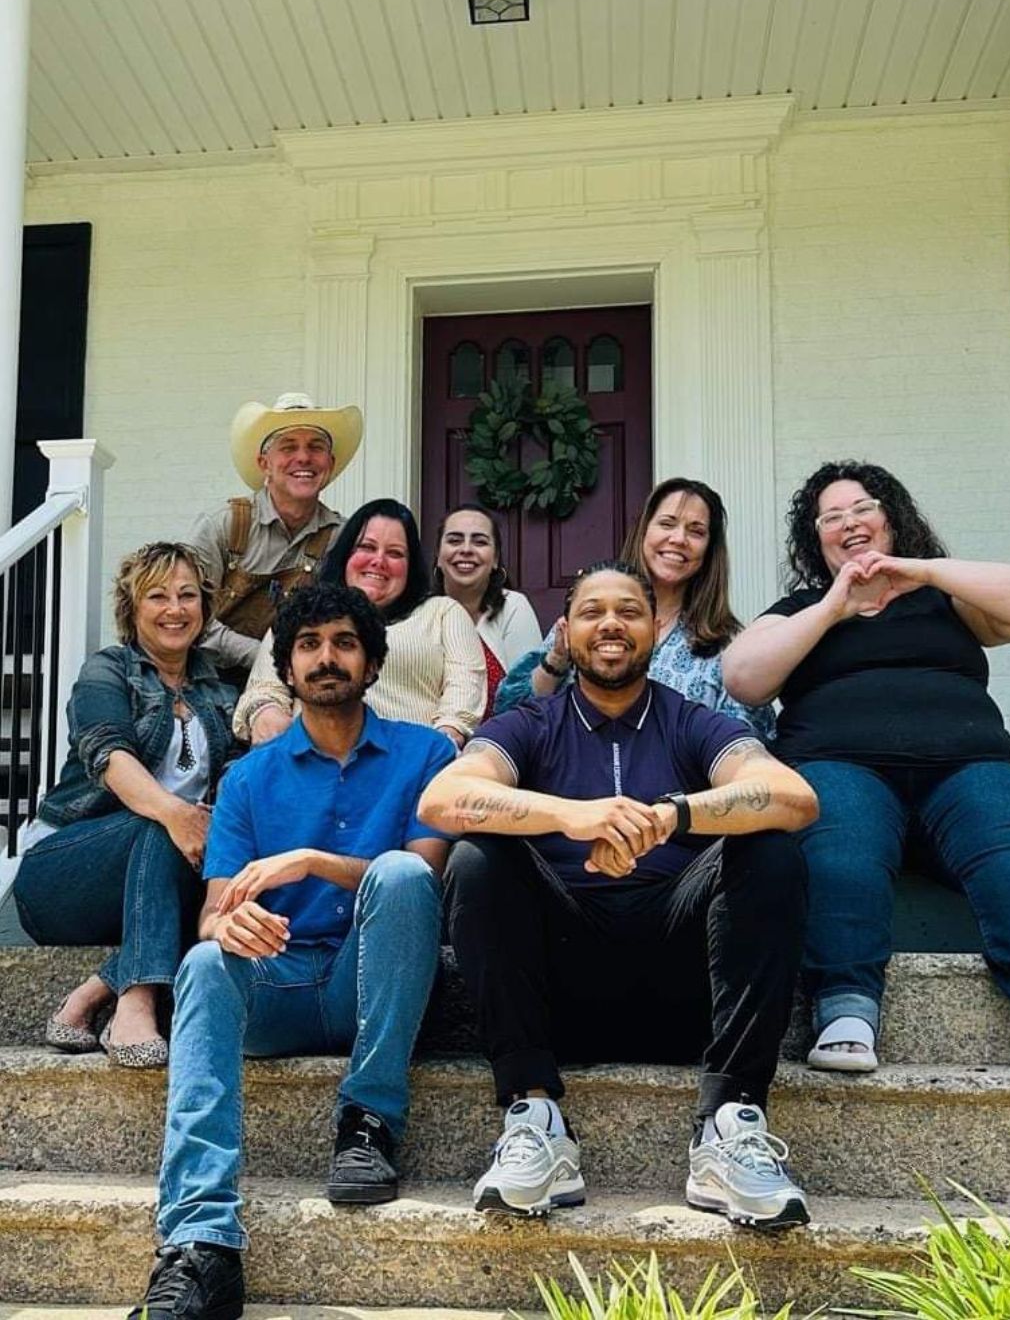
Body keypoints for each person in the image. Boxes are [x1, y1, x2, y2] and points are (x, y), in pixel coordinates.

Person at [419, 560, 818, 1228]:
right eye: (593, 611)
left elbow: (794, 797)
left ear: (655, 628)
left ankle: (730, 1123)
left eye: (629, 611)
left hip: (682, 984)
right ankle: (534, 1115)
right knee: (477, 857)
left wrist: (669, 815)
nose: (611, 624)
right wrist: (573, 816)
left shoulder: (692, 722)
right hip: (559, 994)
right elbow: (443, 798)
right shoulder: (531, 724)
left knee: (771, 848)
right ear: (566, 631)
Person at [127, 582, 455, 1320]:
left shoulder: (426, 752)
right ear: (288, 666)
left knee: (400, 872)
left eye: (344, 642)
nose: (326, 658)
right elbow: (213, 914)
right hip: (273, 986)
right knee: (205, 961)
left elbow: (426, 876)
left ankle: (367, 1122)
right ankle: (200, 1244)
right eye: (308, 645)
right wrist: (228, 928)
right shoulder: (247, 779)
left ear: (372, 663)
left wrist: (310, 860)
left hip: (370, 983)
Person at [721, 459, 1010, 1078]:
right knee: (840, 851)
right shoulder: (804, 607)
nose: (849, 524)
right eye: (831, 517)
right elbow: (744, 677)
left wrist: (917, 571)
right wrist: (836, 603)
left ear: (892, 521)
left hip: (969, 763)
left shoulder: (945, 598)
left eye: (863, 509)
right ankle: (846, 1009)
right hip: (842, 765)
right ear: (817, 541)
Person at [13, 543, 237, 1068]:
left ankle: (90, 994)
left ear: (203, 607)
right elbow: (108, 756)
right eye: (157, 596)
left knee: (231, 882)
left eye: (187, 595)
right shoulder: (108, 671)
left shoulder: (221, 689)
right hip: (66, 871)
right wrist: (178, 814)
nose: (174, 609)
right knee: (161, 826)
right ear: (132, 608)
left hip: (161, 877)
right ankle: (137, 1001)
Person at [495, 478, 774, 739]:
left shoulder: (729, 644)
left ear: (709, 550)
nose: (678, 539)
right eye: (667, 524)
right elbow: (513, 717)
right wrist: (556, 660)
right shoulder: (590, 619)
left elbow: (746, 745)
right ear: (644, 530)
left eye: (696, 531)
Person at [234, 498, 486, 748]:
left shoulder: (442, 612)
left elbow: (465, 688)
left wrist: (441, 742)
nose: (379, 560)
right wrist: (267, 713)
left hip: (415, 765)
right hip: (316, 764)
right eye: (367, 547)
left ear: (411, 566)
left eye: (395, 553)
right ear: (345, 553)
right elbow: (263, 687)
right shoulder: (303, 612)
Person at [189, 392, 362, 680]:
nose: (304, 457)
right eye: (288, 446)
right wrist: (265, 657)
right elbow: (190, 615)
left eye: (315, 447)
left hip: (297, 684)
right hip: (209, 681)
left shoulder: (342, 537)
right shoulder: (223, 525)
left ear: (329, 464)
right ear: (263, 463)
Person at [433, 502, 542, 718]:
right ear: (438, 555)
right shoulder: (419, 612)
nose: (465, 550)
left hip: (501, 743)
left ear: (495, 559)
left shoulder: (513, 607)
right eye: (454, 540)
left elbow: (530, 698)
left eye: (480, 542)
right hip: (429, 744)